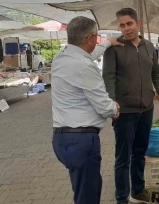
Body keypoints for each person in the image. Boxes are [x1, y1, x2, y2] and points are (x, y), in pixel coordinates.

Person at [102, 8, 159, 204]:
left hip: (146, 108)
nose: (126, 29)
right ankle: (122, 198)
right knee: (123, 157)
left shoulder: (149, 46)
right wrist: (111, 101)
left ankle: (138, 190)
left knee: (140, 151)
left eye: (129, 24)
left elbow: (156, 74)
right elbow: (108, 76)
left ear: (138, 23)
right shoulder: (114, 48)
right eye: (122, 25)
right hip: (124, 111)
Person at [51, 16, 122, 204]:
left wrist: (107, 43)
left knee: (82, 188)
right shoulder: (84, 67)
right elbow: (103, 106)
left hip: (62, 138)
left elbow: (87, 54)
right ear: (89, 38)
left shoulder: (62, 58)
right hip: (81, 141)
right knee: (88, 196)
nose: (97, 40)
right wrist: (114, 107)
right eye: (97, 37)